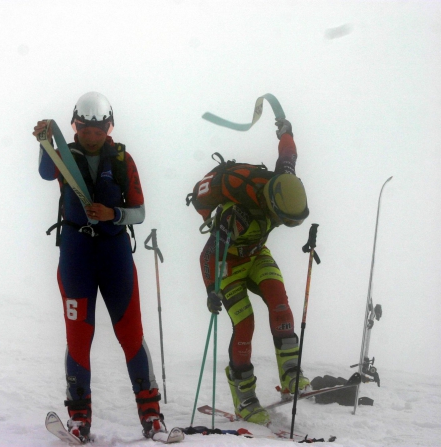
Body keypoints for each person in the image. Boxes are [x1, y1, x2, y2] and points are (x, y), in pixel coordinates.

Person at [32, 92, 164, 441]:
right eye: (84, 129)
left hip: (114, 254)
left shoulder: (122, 159)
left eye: (98, 130)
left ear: (109, 127)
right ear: (75, 127)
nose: (91, 136)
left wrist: (113, 214)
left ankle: (152, 416)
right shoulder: (63, 155)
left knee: (131, 334)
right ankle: (79, 419)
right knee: (77, 338)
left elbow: (139, 212)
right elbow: (46, 172)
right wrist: (44, 138)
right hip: (76, 255)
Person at [195, 118, 311, 425]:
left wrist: (286, 130)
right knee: (244, 325)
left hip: (257, 254)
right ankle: (244, 397)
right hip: (229, 265)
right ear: (272, 205)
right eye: (284, 219)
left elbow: (288, 154)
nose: (285, 224)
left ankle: (291, 374)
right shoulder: (239, 215)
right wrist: (211, 290)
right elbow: (209, 254)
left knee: (280, 303)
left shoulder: (284, 180)